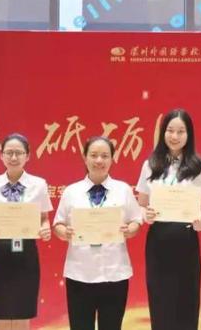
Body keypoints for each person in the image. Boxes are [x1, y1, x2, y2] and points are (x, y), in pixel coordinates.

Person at [53, 136, 143, 330]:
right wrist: (65, 232)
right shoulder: (71, 191)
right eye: (93, 155)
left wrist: (130, 230)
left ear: (112, 159)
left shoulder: (123, 190)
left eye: (105, 156)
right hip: (79, 273)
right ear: (85, 158)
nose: (99, 160)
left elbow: (136, 220)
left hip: (115, 273)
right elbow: (58, 223)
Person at [135, 109, 201, 330]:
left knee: (186, 298)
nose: (174, 136)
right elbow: (141, 203)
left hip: (186, 239)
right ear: (163, 132)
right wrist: (146, 214)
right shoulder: (151, 164)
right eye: (170, 130)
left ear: (189, 134)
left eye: (180, 131)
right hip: (158, 240)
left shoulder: (199, 166)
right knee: (160, 299)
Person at [0, 133, 53, 329]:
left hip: (26, 251)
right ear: (1, 156)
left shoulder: (38, 184)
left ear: (27, 156)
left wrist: (45, 229)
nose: (13, 157)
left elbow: (44, 218)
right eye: (9, 152)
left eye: (18, 153)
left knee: (23, 309)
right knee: (0, 309)